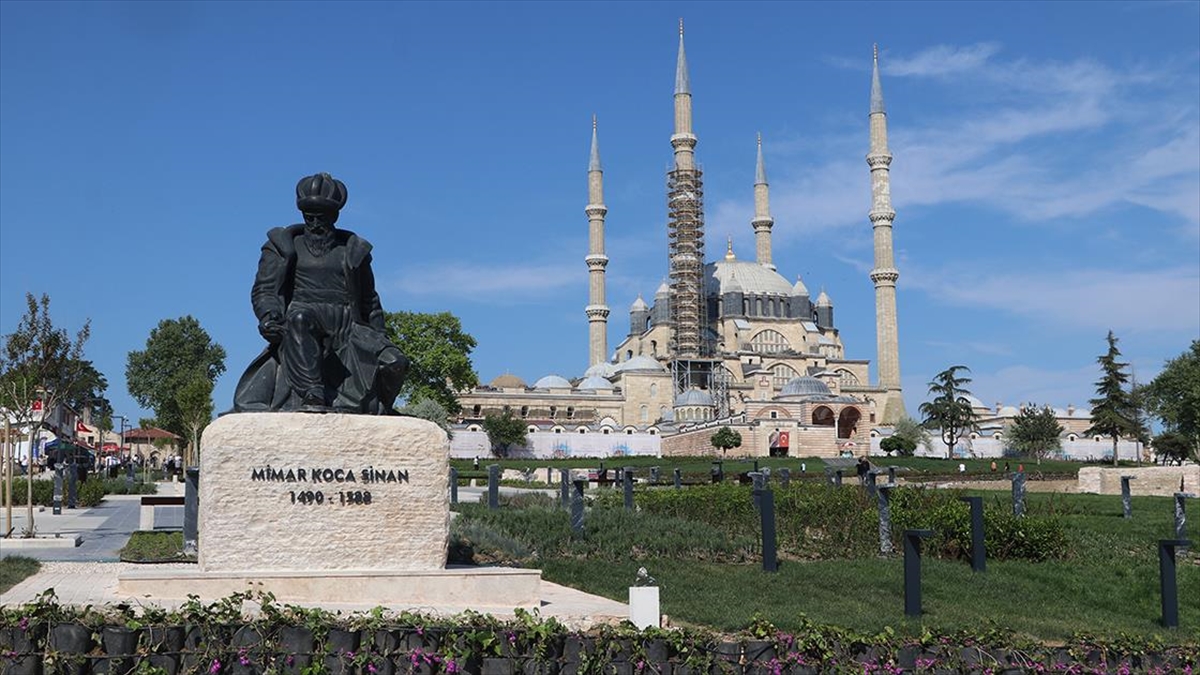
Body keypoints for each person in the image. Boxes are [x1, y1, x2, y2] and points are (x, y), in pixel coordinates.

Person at [233, 173, 409, 414]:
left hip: (348, 325)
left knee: (395, 362)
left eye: (322, 218)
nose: (315, 224)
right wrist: (269, 316)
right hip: (301, 323)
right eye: (309, 217)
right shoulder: (281, 246)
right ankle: (312, 392)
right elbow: (265, 290)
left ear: (334, 216)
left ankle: (379, 407)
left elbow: (370, 300)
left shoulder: (354, 251)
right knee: (300, 318)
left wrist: (380, 337)